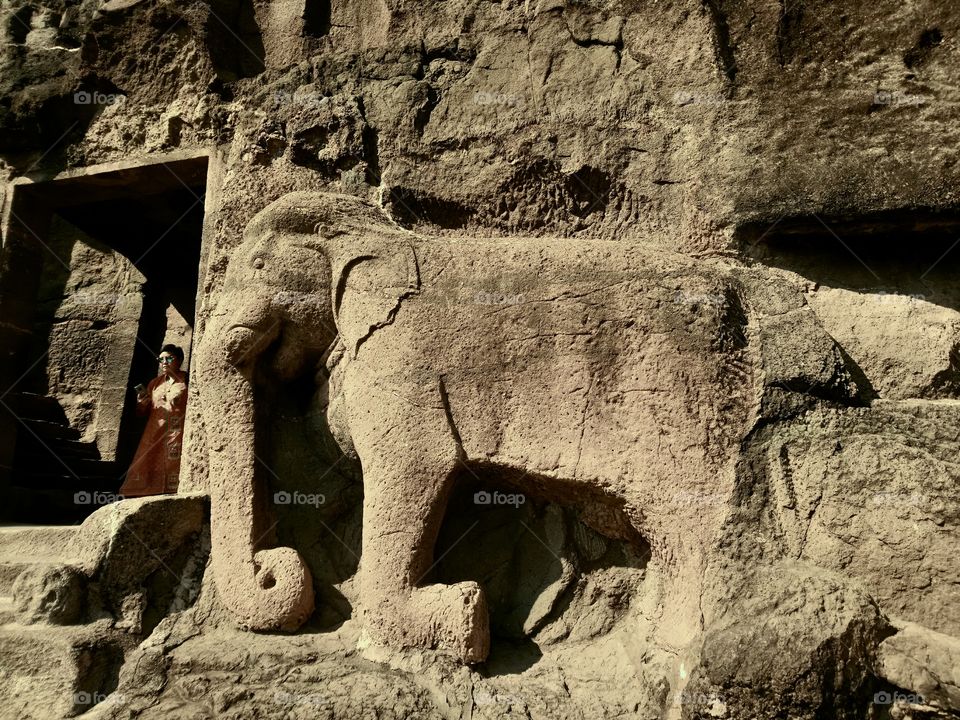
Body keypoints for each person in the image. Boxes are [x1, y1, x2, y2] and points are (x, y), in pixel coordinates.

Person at [119, 344, 188, 497]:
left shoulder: (186, 380)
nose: (164, 362)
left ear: (180, 360)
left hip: (177, 432)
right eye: (161, 359)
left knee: (174, 464)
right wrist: (141, 404)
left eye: (169, 358)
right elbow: (142, 412)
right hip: (154, 433)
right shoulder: (154, 383)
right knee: (147, 464)